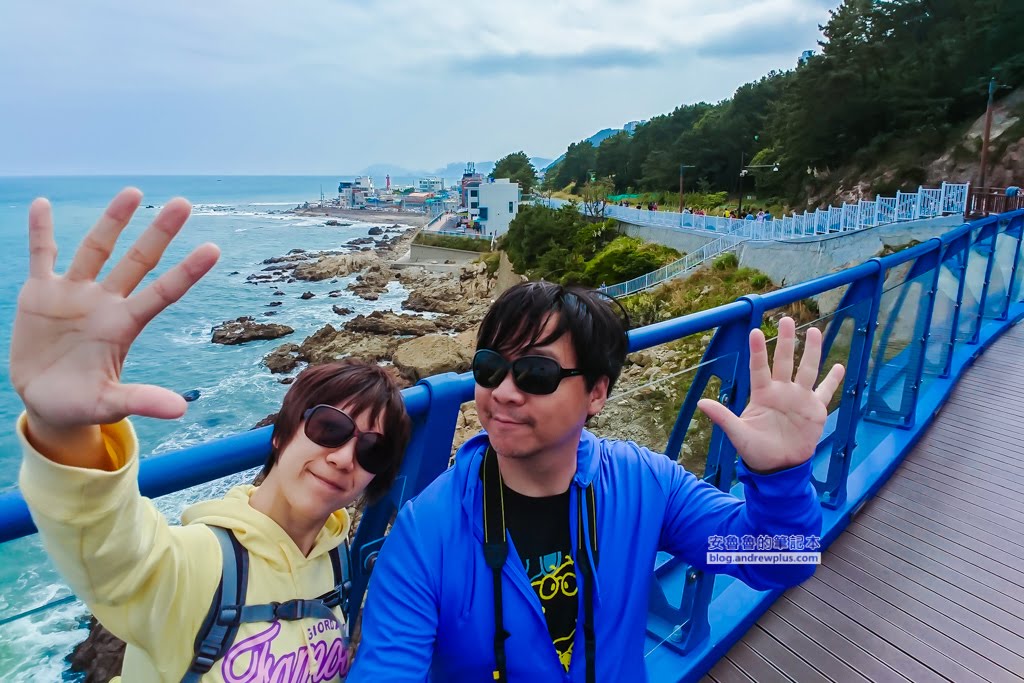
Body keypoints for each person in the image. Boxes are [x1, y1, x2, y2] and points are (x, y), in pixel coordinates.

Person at [349, 281, 843, 682]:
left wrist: (779, 476)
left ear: (596, 394)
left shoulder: (643, 483)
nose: (503, 392)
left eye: (535, 374)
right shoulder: (426, 529)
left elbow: (781, 561)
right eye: (490, 367)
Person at [12, 188, 411, 682]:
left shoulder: (337, 561)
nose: (344, 457)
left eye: (373, 449)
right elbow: (112, 550)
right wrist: (63, 431)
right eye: (330, 427)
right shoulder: (201, 565)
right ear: (282, 435)